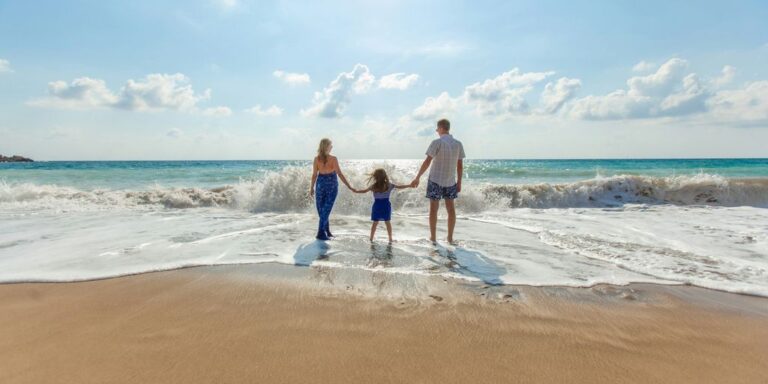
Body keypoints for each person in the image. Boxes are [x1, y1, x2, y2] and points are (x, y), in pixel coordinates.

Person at [410, 119, 465, 243]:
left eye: (437, 128)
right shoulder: (458, 144)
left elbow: (427, 161)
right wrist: (459, 182)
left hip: (435, 180)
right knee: (451, 210)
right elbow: (460, 166)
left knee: (433, 210)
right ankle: (450, 238)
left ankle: (433, 238)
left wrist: (417, 177)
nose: (436, 131)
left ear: (441, 128)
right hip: (451, 181)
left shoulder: (437, 142)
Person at [310, 138, 355, 240]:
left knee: (324, 210)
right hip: (327, 185)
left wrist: (311, 188)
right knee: (323, 210)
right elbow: (339, 173)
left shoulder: (319, 159)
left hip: (324, 185)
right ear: (327, 147)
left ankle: (323, 232)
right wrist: (311, 188)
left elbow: (314, 175)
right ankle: (323, 232)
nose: (332, 147)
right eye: (331, 145)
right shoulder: (327, 159)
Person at [353, 168, 412, 242]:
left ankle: (371, 238)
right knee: (387, 222)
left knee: (375, 223)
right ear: (385, 176)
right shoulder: (389, 185)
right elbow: (400, 187)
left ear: (375, 177)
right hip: (386, 205)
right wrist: (409, 185)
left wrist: (355, 191)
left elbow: (364, 191)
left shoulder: (374, 186)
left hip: (377, 205)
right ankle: (390, 239)